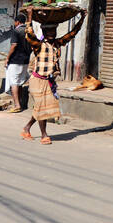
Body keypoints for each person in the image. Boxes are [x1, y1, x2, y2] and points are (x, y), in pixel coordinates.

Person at [20, 8, 86, 145]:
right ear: (44, 32)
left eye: (53, 31)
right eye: (48, 31)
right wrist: (30, 16)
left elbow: (72, 33)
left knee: (42, 107)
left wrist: (82, 18)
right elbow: (29, 35)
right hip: (37, 80)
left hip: (49, 81)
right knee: (42, 108)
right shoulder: (38, 45)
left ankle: (26, 128)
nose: (51, 33)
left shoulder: (57, 44)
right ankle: (44, 135)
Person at [3, 22, 32, 112]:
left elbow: (14, 45)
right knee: (19, 82)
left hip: (15, 60)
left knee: (14, 83)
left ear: (17, 22)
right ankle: (20, 103)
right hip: (25, 60)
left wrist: (7, 58)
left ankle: (17, 105)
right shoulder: (29, 31)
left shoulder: (17, 31)